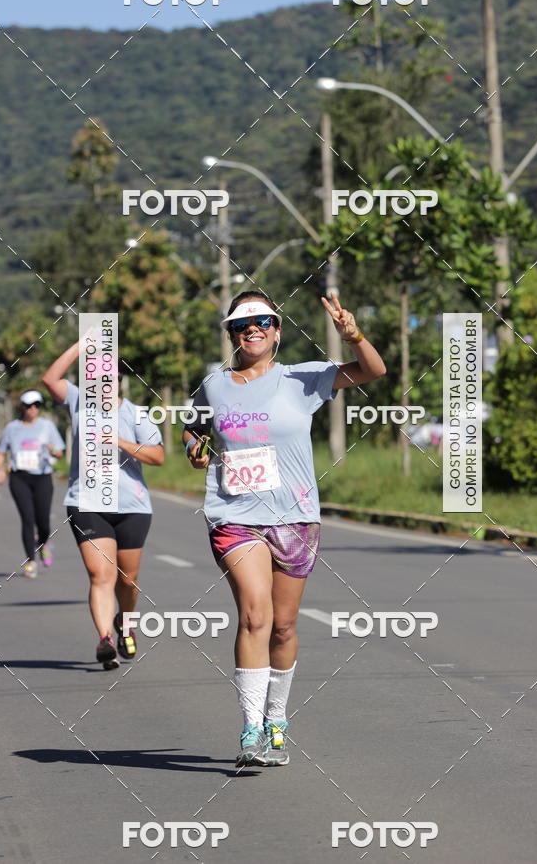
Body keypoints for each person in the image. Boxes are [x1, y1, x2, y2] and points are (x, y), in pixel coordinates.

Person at [184, 290, 386, 766]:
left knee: (284, 625)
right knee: (255, 615)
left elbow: (373, 371)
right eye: (241, 323)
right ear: (232, 334)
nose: (251, 328)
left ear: (276, 329)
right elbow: (194, 428)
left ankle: (278, 717)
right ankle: (251, 728)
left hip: (295, 518)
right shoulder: (214, 385)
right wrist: (194, 447)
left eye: (262, 320)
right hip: (236, 516)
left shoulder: (303, 378)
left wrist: (351, 334)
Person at [42, 342, 164, 670]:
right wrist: (81, 346)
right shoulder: (79, 403)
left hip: (132, 505)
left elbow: (157, 456)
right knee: (101, 574)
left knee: (128, 579)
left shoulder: (135, 413)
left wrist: (119, 442)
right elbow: (50, 379)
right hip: (87, 502)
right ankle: (105, 638)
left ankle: (126, 621)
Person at [0, 390, 65, 578]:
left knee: (43, 521)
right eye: (29, 405)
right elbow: (1, 451)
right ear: (22, 407)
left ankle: (43, 543)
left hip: (42, 477)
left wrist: (53, 451)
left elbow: (60, 451)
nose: (33, 409)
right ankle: (31, 562)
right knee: (27, 519)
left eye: (37, 405)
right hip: (20, 478)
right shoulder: (12, 428)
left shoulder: (47, 426)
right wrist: (1, 471)